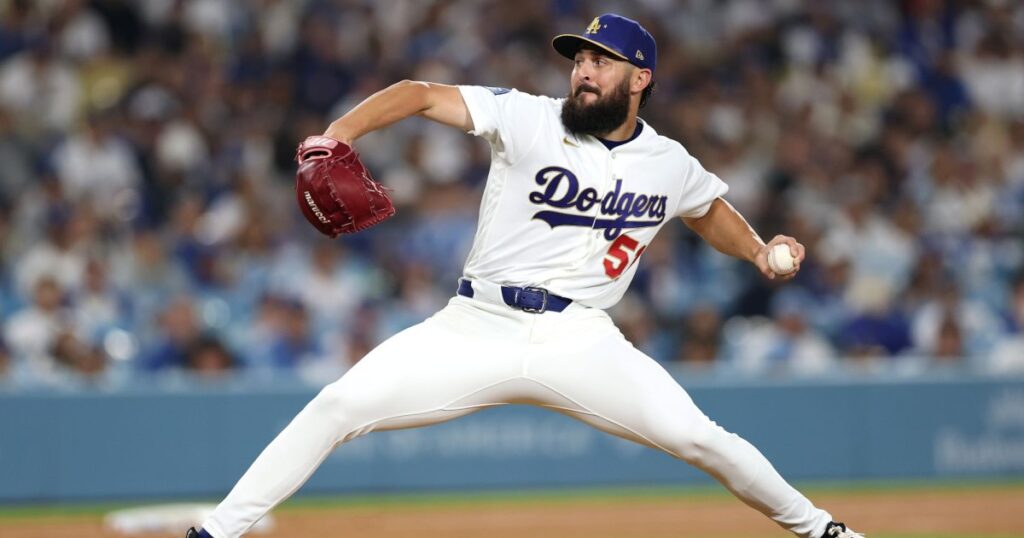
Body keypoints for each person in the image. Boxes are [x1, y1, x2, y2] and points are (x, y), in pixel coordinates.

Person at [189, 14, 862, 538]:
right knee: (337, 406)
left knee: (701, 438)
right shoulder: (529, 118)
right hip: (475, 325)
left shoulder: (668, 161)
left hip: (582, 340)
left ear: (641, 79)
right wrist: (338, 133)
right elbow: (421, 95)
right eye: (581, 59)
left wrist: (756, 250)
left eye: (603, 61)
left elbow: (705, 209)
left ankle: (822, 528)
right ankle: (217, 530)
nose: (585, 71)